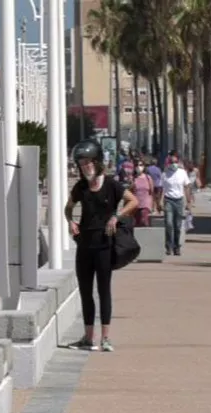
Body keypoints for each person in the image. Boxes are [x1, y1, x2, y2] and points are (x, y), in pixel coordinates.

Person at [64, 140, 139, 352]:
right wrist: (70, 221)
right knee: (86, 292)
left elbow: (133, 201)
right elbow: (68, 208)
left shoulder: (112, 185)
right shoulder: (80, 187)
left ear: (97, 163)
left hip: (105, 245)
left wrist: (116, 217)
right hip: (84, 245)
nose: (85, 166)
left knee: (104, 291)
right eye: (82, 163)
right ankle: (88, 338)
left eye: (89, 162)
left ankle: (105, 338)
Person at [161, 152, 191, 255]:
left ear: (178, 162)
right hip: (168, 200)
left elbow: (187, 187)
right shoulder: (165, 174)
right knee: (169, 224)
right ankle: (168, 246)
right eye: (171, 162)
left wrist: (188, 202)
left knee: (177, 226)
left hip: (179, 201)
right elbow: (162, 189)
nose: (173, 164)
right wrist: (160, 202)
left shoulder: (182, 173)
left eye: (175, 161)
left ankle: (176, 246)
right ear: (168, 162)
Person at [130, 159, 154, 227]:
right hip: (136, 204)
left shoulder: (148, 178)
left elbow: (152, 192)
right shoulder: (133, 178)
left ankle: (146, 235)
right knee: (137, 223)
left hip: (146, 204)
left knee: (144, 221)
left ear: (144, 167)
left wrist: (153, 206)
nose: (139, 167)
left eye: (141, 165)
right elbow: (130, 192)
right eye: (137, 165)